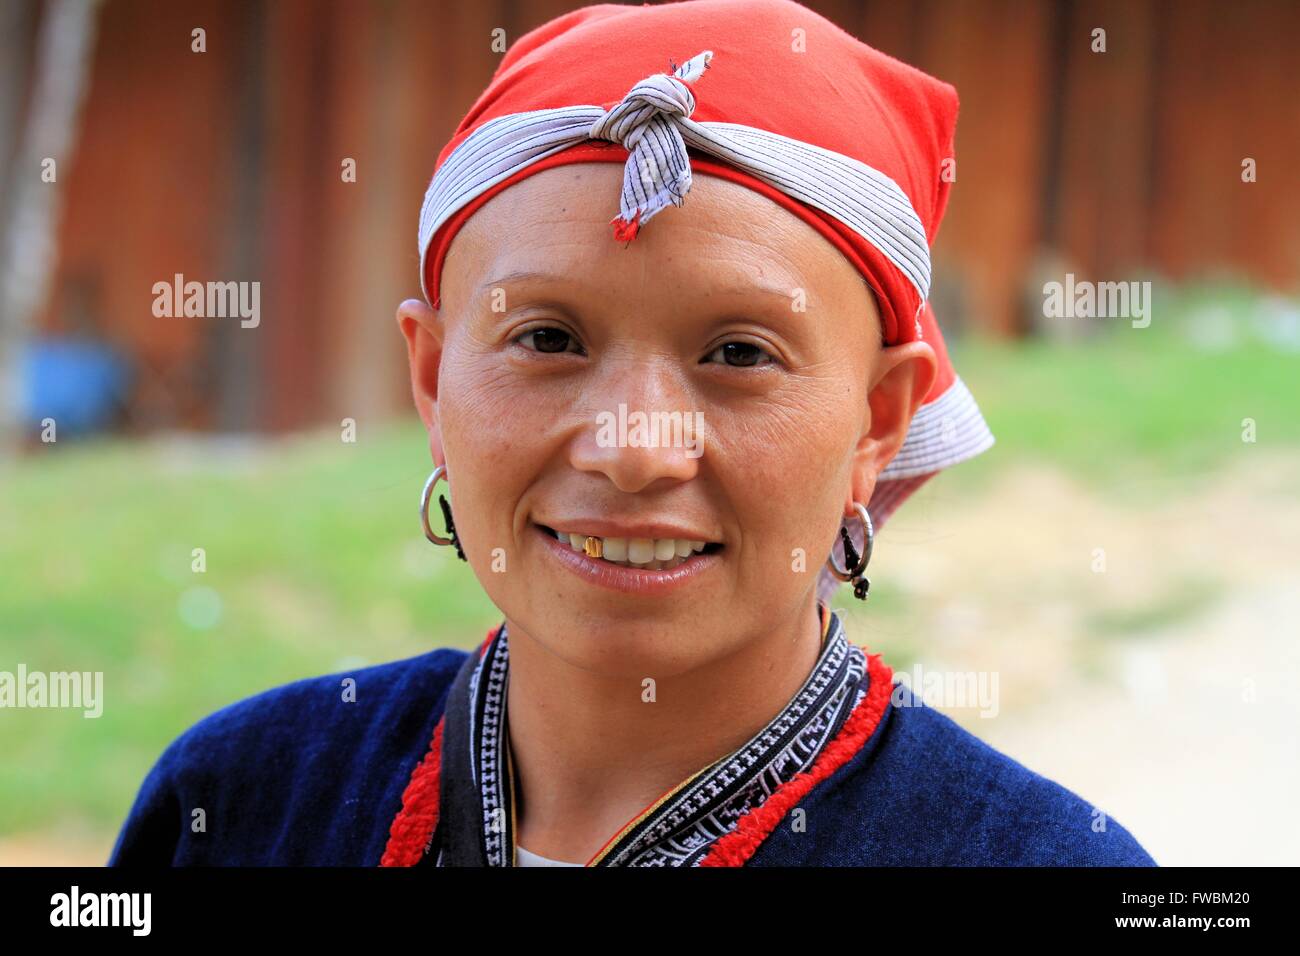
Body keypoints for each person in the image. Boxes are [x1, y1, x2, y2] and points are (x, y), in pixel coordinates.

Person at [109, 0, 1155, 867]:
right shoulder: (242, 806)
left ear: (877, 418)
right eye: (548, 337)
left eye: (739, 354)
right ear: (431, 378)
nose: (632, 447)